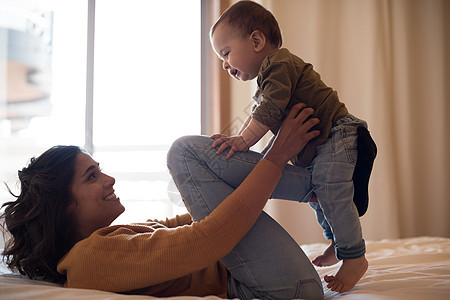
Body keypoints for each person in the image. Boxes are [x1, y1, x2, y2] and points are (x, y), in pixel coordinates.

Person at [1, 104, 325, 299]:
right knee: (182, 153)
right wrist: (278, 154)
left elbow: (187, 224)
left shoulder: (102, 242)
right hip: (273, 288)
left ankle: (313, 188)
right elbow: (208, 239)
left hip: (267, 278)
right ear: (64, 205)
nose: (109, 180)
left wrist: (215, 182)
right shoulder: (88, 260)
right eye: (91, 176)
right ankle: (315, 186)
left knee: (190, 156)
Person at [209, 0, 377, 293]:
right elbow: (263, 117)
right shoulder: (266, 82)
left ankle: (354, 256)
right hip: (319, 145)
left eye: (226, 53)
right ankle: (337, 242)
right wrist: (253, 148)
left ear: (257, 40)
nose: (225, 64)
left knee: (329, 188)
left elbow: (269, 112)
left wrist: (242, 141)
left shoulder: (280, 64)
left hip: (338, 133)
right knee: (315, 193)